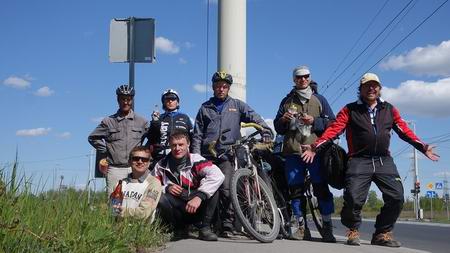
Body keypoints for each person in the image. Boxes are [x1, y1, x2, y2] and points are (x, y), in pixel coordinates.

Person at [301, 73, 439, 247]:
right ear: (361, 89)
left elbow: (404, 130)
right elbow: (334, 130)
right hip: (359, 160)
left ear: (380, 89)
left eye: (375, 86)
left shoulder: (389, 109)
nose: (371, 88)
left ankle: (382, 233)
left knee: (396, 197)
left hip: (384, 161)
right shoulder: (350, 109)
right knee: (353, 197)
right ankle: (353, 229)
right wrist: (315, 146)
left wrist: (423, 147)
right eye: (367, 86)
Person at [191, 70, 273, 237]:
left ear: (228, 88)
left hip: (226, 154)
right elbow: (197, 134)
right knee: (207, 189)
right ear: (213, 87)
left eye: (224, 86)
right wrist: (196, 156)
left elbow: (254, 117)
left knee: (227, 189)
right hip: (207, 156)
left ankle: (227, 224)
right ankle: (208, 224)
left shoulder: (237, 105)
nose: (221, 89)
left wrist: (265, 130)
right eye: (218, 86)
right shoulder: (205, 108)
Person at [273, 65, 336, 242]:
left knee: (321, 188)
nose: (303, 79)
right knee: (296, 190)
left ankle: (327, 226)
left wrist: (315, 121)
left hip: (315, 151)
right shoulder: (286, 101)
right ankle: (301, 226)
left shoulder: (319, 99)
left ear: (309, 78)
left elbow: (333, 123)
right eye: (299, 77)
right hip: (293, 152)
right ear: (294, 79)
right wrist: (283, 121)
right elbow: (278, 127)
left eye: (306, 76)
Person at [152, 130, 225, 241]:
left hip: (198, 207)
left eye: (181, 145)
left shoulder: (196, 159)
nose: (177, 148)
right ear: (169, 145)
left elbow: (218, 175)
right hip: (179, 208)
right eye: (174, 145)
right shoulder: (161, 164)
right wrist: (166, 188)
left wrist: (199, 196)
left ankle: (204, 229)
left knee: (215, 190)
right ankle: (178, 229)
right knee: (161, 198)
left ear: (188, 144)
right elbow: (151, 186)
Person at [88, 84, 149, 195]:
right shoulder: (108, 121)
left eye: (128, 99)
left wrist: (144, 152)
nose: (126, 102)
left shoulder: (142, 121)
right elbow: (93, 138)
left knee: (135, 201)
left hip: (135, 168)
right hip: (114, 169)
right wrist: (107, 150)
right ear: (118, 100)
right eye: (123, 99)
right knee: (113, 203)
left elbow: (152, 139)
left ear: (132, 100)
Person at [112, 146, 162, 220]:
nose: (140, 161)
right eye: (136, 158)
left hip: (140, 229)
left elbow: (144, 213)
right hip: (118, 228)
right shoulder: (120, 184)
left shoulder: (154, 183)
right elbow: (112, 209)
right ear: (129, 161)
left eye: (144, 159)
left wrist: (123, 212)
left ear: (149, 163)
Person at [145, 89, 192, 163]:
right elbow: (151, 138)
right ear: (163, 102)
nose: (170, 101)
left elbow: (192, 137)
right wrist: (155, 123)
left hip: (181, 157)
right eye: (167, 99)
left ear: (177, 102)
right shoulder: (158, 118)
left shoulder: (185, 117)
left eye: (173, 99)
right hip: (161, 158)